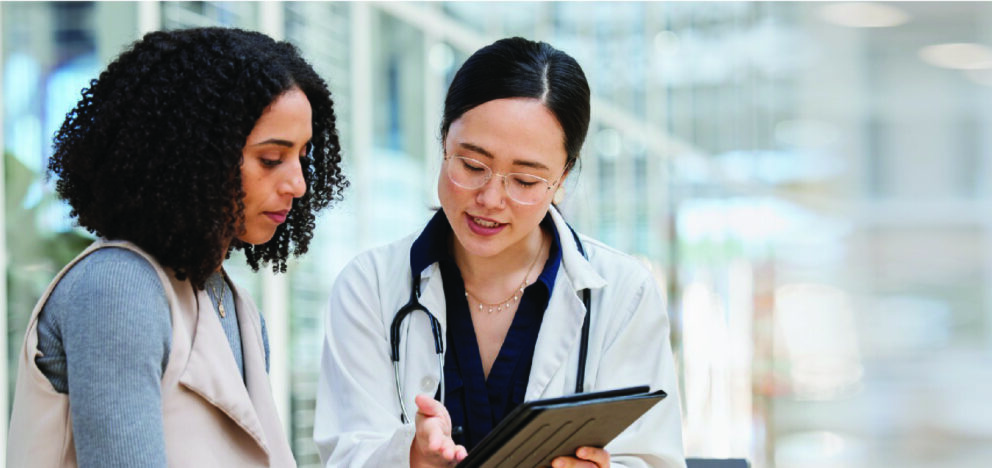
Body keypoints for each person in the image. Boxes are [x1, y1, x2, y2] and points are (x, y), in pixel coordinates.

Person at [314, 37, 684, 468]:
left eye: (525, 181)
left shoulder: (623, 293)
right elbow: (346, 454)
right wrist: (409, 459)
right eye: (472, 166)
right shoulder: (370, 286)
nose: (490, 198)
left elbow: (654, 459)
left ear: (562, 179)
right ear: (443, 142)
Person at [7, 27, 347, 468]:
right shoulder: (118, 288)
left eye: (303, 156)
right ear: (195, 154)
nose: (298, 184)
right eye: (271, 159)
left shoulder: (235, 305)